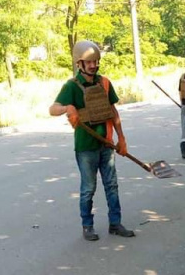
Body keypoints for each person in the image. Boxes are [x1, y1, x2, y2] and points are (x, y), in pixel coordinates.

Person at [49, 40, 135, 241]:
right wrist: (67, 109)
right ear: (79, 64)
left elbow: (113, 111)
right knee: (89, 188)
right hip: (85, 148)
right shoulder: (71, 86)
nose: (94, 65)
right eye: (89, 62)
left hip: (106, 144)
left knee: (111, 185)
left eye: (96, 61)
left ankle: (115, 223)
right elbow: (52, 109)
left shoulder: (104, 82)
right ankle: (87, 225)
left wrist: (121, 138)